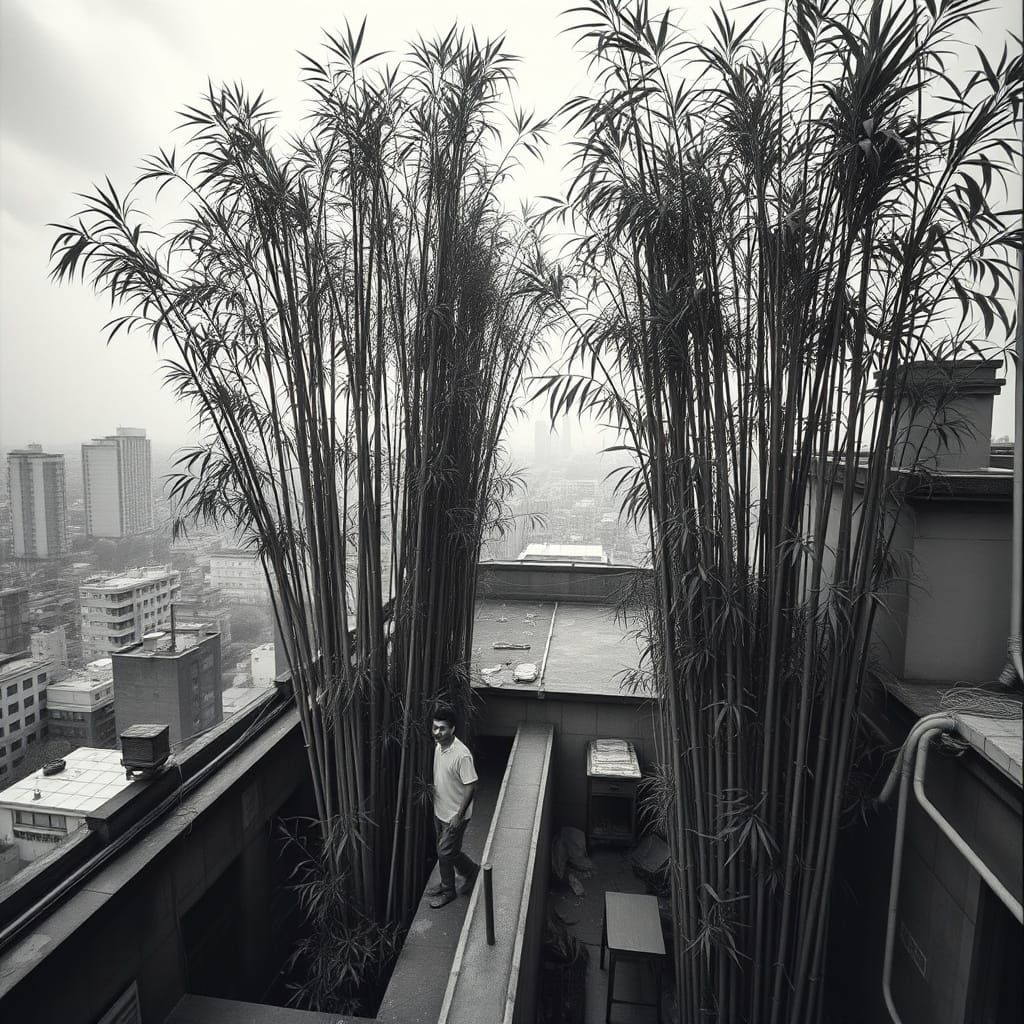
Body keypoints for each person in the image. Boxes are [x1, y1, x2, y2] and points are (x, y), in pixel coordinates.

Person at [426, 705, 479, 909]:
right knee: (451, 851)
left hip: (455, 815)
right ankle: (472, 872)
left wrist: (459, 815)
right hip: (440, 810)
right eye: (435, 728)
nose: (437, 733)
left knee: (444, 853)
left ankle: (448, 891)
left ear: (453, 729)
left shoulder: (462, 754)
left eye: (442, 729)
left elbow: (471, 786)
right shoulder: (439, 747)